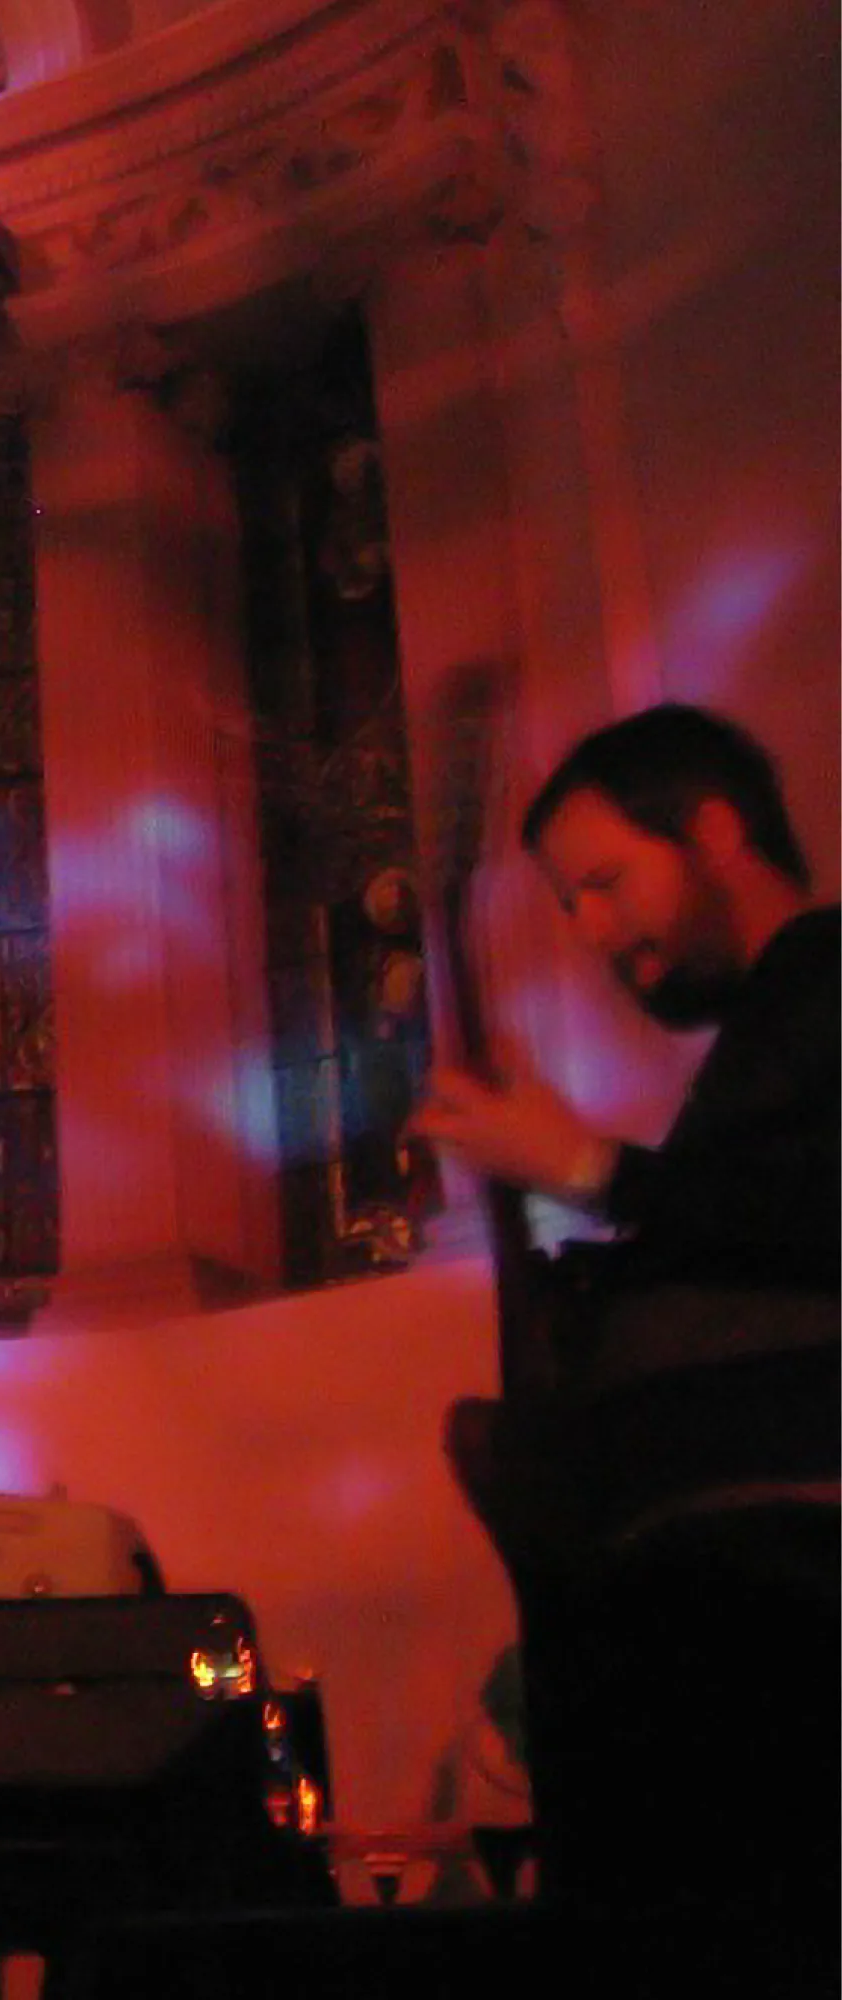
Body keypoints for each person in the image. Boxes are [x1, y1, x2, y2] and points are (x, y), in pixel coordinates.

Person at [408, 702, 836, 1954]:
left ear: (715, 829)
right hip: (727, 1619)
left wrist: (594, 1166)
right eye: (571, 906)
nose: (597, 933)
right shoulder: (775, 1029)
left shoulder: (829, 975)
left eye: (608, 881)